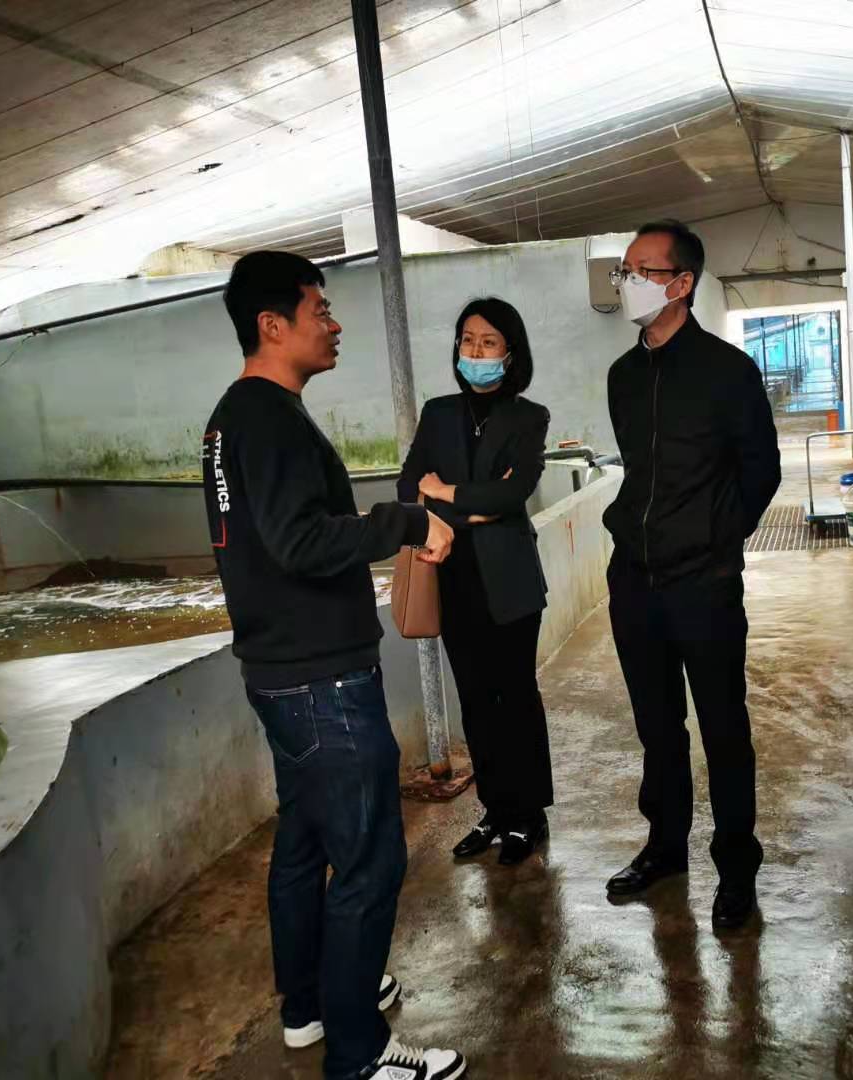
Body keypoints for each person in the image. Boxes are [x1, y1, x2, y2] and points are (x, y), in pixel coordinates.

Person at [202, 251, 467, 1080]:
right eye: (320, 309)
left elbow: (277, 538)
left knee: (305, 840)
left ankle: (310, 1003)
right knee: (369, 859)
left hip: (281, 671)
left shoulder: (234, 418)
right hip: (321, 679)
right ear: (272, 324)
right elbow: (301, 541)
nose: (335, 322)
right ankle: (359, 1054)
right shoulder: (269, 418)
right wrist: (405, 521)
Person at [602, 219, 781, 930]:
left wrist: (713, 540)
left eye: (642, 271)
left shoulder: (727, 371)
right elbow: (638, 473)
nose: (628, 282)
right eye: (624, 270)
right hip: (634, 581)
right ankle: (665, 847)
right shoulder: (623, 376)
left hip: (702, 583)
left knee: (723, 727)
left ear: (681, 284)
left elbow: (760, 472)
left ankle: (736, 866)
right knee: (657, 727)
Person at [397, 297, 554, 865]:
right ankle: (494, 809)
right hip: (454, 580)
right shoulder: (438, 413)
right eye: (467, 339)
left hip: (509, 583)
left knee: (515, 697)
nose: (476, 350)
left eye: (489, 342)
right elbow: (408, 486)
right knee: (476, 700)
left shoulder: (528, 417)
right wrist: (475, 505)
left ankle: (528, 814)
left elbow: (514, 493)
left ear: (510, 353)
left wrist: (444, 493)